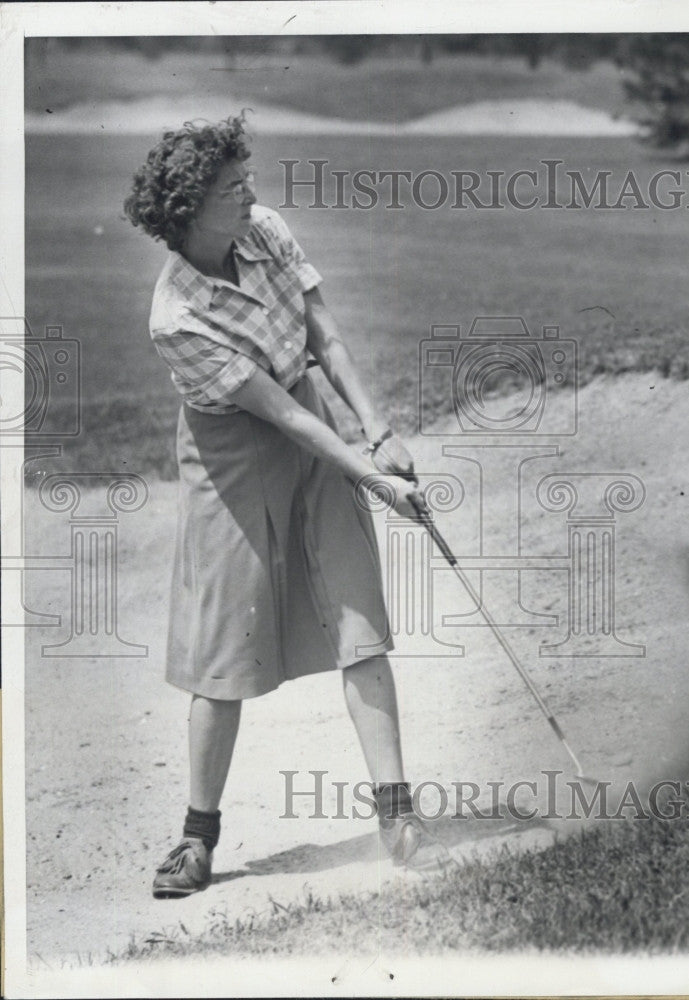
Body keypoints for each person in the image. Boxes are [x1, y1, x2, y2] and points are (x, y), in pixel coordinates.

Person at [123, 114, 447, 898]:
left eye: (247, 178)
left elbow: (323, 338)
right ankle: (198, 838)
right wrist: (375, 482)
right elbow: (282, 419)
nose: (251, 193)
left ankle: (396, 814)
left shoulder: (265, 229)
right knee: (223, 649)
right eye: (233, 187)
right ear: (189, 209)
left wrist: (381, 432)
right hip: (231, 452)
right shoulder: (177, 318)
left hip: (308, 417)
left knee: (356, 614)